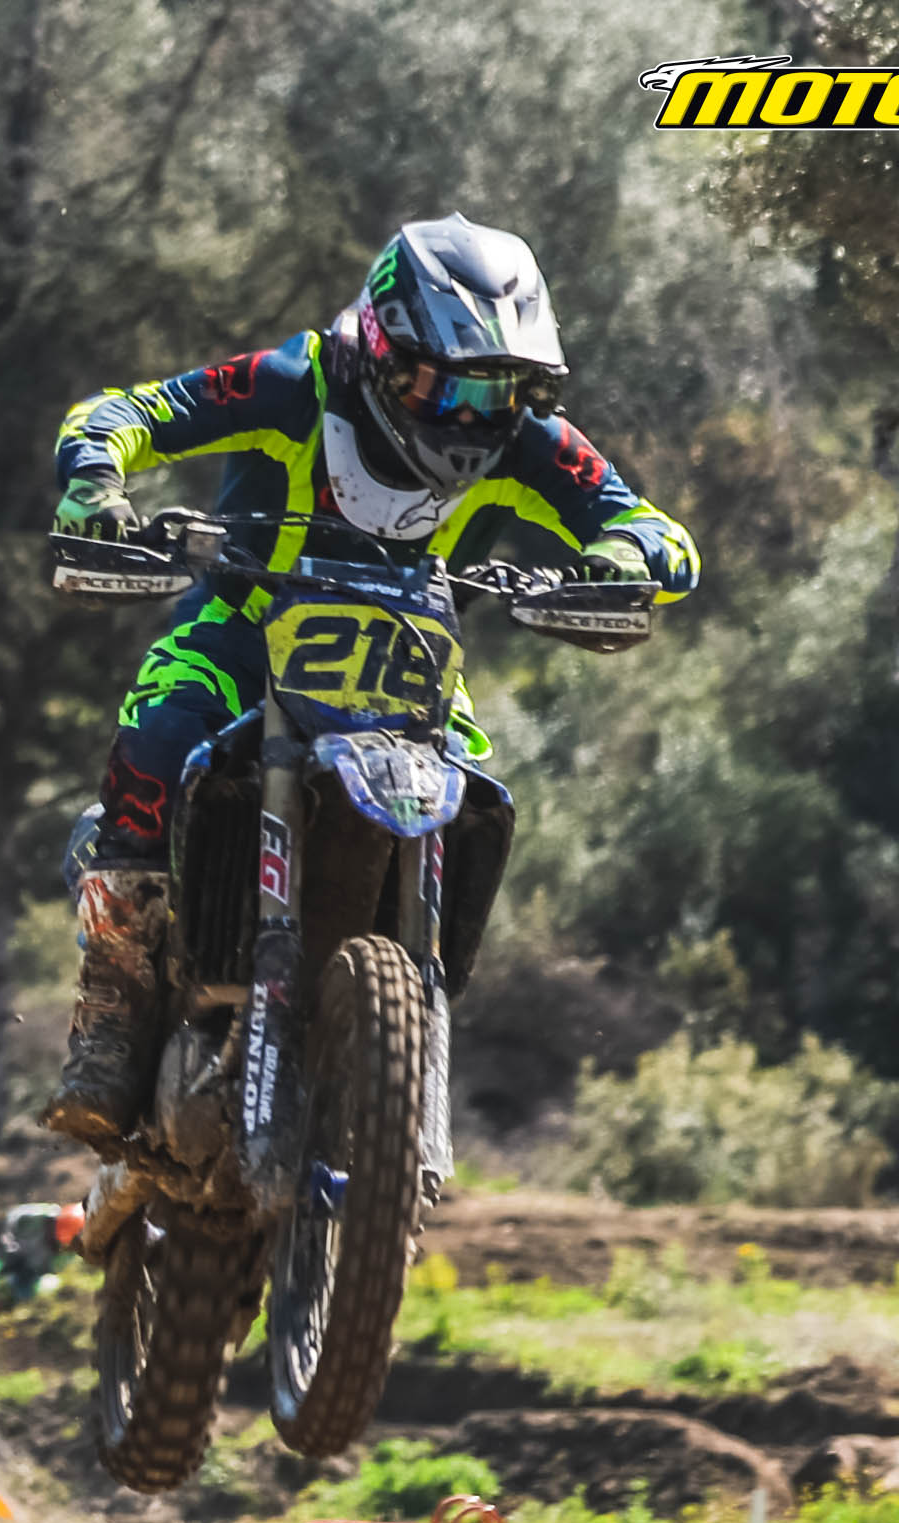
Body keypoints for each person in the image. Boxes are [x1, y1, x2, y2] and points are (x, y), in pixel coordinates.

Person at [41, 216, 700, 1148]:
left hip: (412, 669)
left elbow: (658, 531)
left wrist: (624, 554)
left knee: (475, 799)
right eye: (446, 384)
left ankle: (410, 1008)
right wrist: (96, 483)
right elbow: (124, 413)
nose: (469, 416)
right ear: (382, 352)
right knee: (156, 740)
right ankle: (113, 1010)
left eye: (498, 391)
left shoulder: (527, 442)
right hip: (241, 636)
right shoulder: (290, 383)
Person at [0, 1202, 84, 1316]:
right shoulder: (36, 1217)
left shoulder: (68, 1252)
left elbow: (53, 1270)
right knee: (2, 1263)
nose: (51, 1235)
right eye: (52, 1229)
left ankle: (3, 1301)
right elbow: (13, 1219)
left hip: (32, 1275)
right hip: (14, 1251)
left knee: (34, 1287)